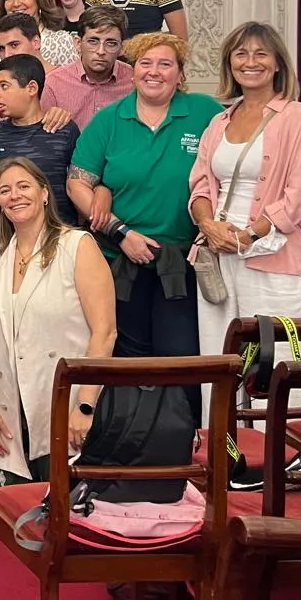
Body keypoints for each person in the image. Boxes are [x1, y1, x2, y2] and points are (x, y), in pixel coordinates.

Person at [68, 33, 219, 419]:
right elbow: (77, 184)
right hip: (121, 258)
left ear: (180, 74)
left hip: (183, 261)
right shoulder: (109, 120)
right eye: (145, 64)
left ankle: (185, 438)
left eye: (165, 64)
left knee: (180, 357)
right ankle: (133, 437)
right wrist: (119, 231)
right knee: (127, 359)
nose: (154, 72)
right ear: (132, 71)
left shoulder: (205, 113)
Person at [188, 23, 301, 420]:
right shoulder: (219, 121)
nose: (250, 62)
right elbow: (200, 184)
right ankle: (223, 446)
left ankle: (286, 449)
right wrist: (209, 227)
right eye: (241, 54)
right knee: (221, 358)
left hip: (272, 255)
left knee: (279, 360)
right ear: (229, 63)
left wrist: (249, 235)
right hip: (218, 255)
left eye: (260, 54)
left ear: (278, 63)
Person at [0, 159, 116, 484]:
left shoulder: (77, 246)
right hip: (6, 416)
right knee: (13, 510)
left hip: (67, 409)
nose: (14, 196)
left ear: (44, 193)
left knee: (65, 508)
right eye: (5, 190)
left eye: (23, 186)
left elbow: (105, 333)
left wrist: (85, 406)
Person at [0, 55, 80, 241]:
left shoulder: (63, 129)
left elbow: (79, 185)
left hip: (61, 237)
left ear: (31, 88)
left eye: (4, 86)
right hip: (11, 240)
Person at [41, 6, 135, 129]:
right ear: (78, 43)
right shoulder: (54, 83)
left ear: (122, 48)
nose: (101, 51)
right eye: (93, 41)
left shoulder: (134, 80)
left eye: (111, 43)